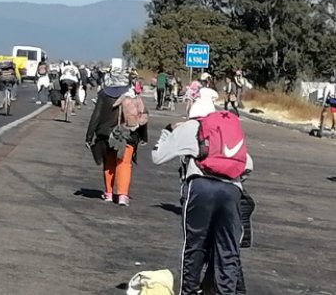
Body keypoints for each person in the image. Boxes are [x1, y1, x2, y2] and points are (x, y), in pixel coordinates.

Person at [151, 90, 253, 294]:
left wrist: (167, 131)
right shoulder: (225, 130)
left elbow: (158, 156)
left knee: (194, 247)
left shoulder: (191, 127)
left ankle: (189, 291)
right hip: (232, 190)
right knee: (228, 251)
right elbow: (248, 164)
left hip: (201, 188)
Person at [85, 68, 147, 206]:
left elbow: (96, 116)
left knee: (109, 163)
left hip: (106, 135)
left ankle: (108, 193)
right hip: (129, 134)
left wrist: (89, 136)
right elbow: (142, 115)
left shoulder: (103, 94)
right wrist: (143, 136)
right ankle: (123, 196)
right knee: (124, 163)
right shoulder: (132, 94)